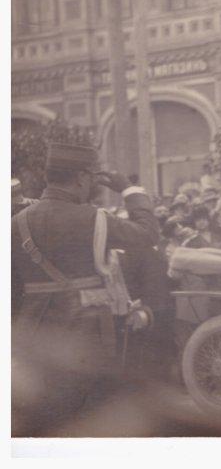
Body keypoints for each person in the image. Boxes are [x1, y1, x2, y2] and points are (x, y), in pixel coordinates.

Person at [11, 143, 159, 416]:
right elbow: (148, 234)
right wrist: (130, 190)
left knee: (40, 419)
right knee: (86, 417)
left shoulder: (14, 224)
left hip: (32, 338)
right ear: (81, 178)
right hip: (87, 337)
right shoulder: (94, 219)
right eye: (92, 177)